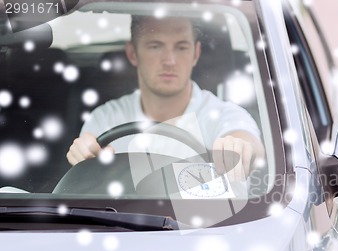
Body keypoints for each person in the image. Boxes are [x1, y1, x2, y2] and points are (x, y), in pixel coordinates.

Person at [66, 15, 264, 181]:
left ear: (196, 54)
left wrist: (240, 149)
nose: (169, 61)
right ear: (133, 53)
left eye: (181, 47)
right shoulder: (105, 118)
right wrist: (83, 154)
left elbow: (247, 143)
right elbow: (86, 183)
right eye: (155, 46)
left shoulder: (224, 115)